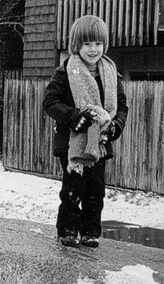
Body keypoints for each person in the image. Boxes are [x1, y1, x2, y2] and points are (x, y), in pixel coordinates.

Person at [43, 15, 129, 248]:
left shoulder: (110, 73)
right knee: (74, 187)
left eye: (98, 44)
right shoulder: (66, 72)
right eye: (87, 44)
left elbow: (121, 106)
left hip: (99, 143)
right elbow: (50, 102)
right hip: (72, 143)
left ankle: (91, 230)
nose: (93, 49)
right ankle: (68, 229)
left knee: (95, 189)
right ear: (77, 45)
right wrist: (74, 117)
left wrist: (115, 126)